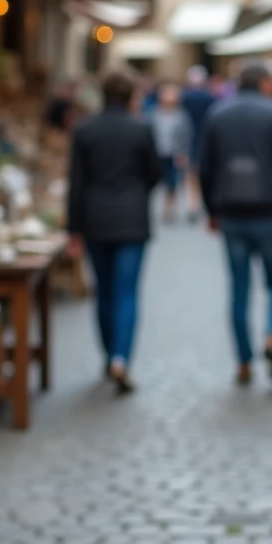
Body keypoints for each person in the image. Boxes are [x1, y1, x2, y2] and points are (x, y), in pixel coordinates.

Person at [199, 62, 272, 385]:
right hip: (269, 212)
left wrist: (211, 210)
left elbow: (204, 168)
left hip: (232, 214)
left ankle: (243, 362)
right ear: (264, 82)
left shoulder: (217, 113)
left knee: (238, 287)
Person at [66, 70, 160, 394]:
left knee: (103, 292)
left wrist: (73, 229)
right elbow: (154, 174)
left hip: (95, 219)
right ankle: (121, 358)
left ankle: (108, 355)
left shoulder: (85, 130)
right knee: (127, 292)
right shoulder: (142, 128)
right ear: (131, 95)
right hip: (132, 219)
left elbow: (75, 184)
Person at [148, 83, 192, 223]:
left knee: (172, 183)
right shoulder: (154, 114)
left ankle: (170, 209)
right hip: (158, 153)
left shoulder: (181, 115)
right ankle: (163, 207)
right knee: (158, 182)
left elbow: (186, 135)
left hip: (174, 153)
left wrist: (183, 153)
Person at [180, 65, 216, 221]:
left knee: (190, 174)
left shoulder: (185, 97)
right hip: (204, 137)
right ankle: (199, 203)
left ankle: (192, 204)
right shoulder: (209, 97)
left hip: (189, 138)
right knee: (204, 172)